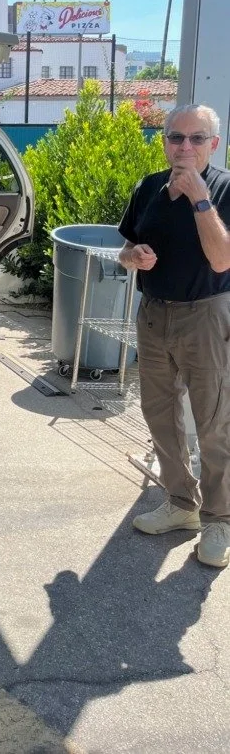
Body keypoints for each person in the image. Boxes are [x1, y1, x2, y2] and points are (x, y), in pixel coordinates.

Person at [118, 103, 230, 569]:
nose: (184, 146)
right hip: (153, 314)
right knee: (159, 413)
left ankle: (220, 519)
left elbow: (222, 260)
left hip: (206, 316)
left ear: (213, 144)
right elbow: (126, 246)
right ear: (164, 141)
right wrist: (133, 257)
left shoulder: (224, 188)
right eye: (175, 137)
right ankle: (182, 503)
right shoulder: (148, 187)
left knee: (214, 420)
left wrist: (200, 199)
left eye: (196, 138)